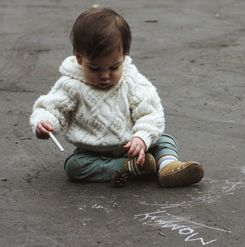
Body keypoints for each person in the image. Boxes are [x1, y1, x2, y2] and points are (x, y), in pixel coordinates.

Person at [29, 7, 204, 187]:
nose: (105, 75)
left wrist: (142, 138)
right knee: (75, 166)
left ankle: (169, 167)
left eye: (113, 67)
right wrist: (44, 122)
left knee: (164, 139)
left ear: (123, 56)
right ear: (80, 59)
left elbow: (151, 113)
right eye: (95, 69)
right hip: (94, 152)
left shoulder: (131, 80)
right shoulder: (70, 85)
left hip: (134, 144)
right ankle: (128, 167)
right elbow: (51, 108)